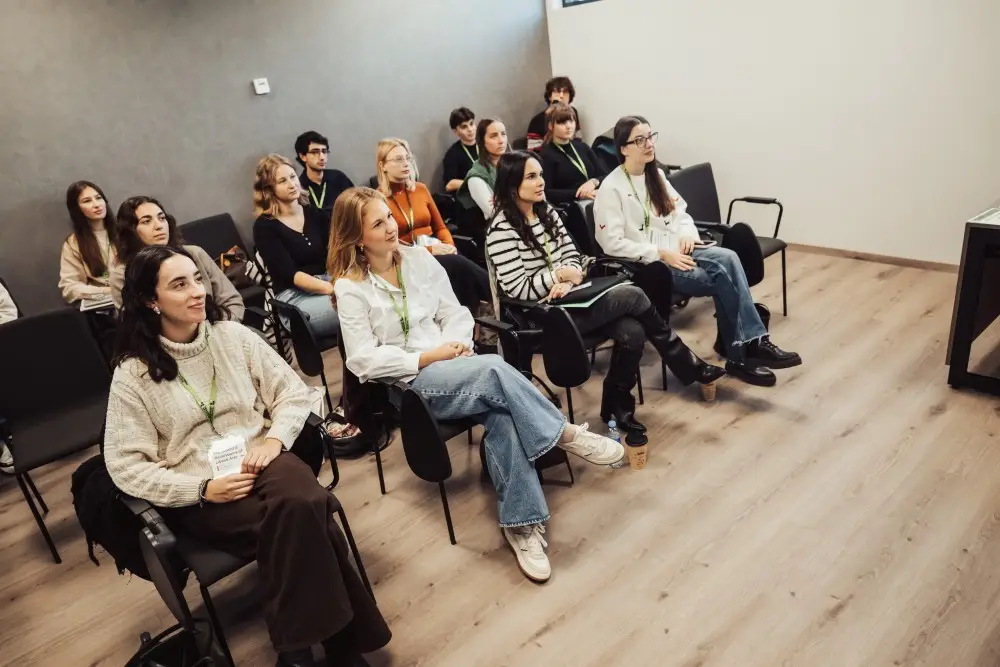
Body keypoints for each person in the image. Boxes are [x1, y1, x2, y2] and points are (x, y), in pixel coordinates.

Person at [103, 245, 389, 667]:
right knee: (314, 518)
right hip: (209, 490)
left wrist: (274, 441)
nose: (198, 291)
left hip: (264, 458)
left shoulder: (232, 336)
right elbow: (124, 466)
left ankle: (295, 652)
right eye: (179, 285)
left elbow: (293, 393)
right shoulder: (133, 374)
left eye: (197, 279)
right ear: (150, 300)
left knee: (305, 502)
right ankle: (343, 646)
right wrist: (201, 489)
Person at [330, 186, 625, 583]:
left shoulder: (419, 259)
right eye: (378, 222)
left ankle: (521, 526)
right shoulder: (350, 287)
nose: (392, 226)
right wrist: (429, 357)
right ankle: (564, 434)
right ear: (356, 236)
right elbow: (362, 359)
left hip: (454, 364)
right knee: (494, 369)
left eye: (389, 216)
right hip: (410, 383)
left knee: (502, 411)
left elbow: (455, 313)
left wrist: (457, 345)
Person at [486, 152, 725, 434]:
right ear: (513, 186)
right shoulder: (501, 229)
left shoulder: (545, 212)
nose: (541, 182)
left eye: (540, 174)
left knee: (633, 330)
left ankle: (617, 405)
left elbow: (572, 256)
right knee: (633, 296)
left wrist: (570, 278)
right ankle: (685, 363)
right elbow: (516, 289)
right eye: (532, 177)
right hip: (542, 317)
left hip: (571, 299)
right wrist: (557, 277)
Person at [594, 116, 801, 386]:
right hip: (651, 264)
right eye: (639, 140)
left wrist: (687, 235)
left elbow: (680, 213)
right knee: (719, 279)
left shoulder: (655, 175)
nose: (649, 144)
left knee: (729, 257)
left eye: (650, 136)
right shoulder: (611, 188)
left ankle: (748, 347)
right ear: (623, 148)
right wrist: (660, 253)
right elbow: (611, 243)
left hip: (678, 248)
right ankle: (743, 350)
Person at [376, 138, 490, 313]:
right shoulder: (378, 200)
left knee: (456, 264)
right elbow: (389, 247)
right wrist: (430, 251)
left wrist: (449, 246)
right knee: (457, 265)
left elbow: (440, 227)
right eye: (398, 159)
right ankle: (499, 296)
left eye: (408, 158)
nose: (406, 164)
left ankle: (472, 323)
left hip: (438, 250)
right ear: (383, 165)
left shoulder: (420, 189)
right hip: (409, 259)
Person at [110, 195, 244, 319]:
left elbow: (232, 301)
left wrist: (220, 333)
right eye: (146, 221)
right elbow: (134, 326)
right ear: (130, 230)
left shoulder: (194, 254)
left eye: (162, 218)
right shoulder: (122, 274)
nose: (159, 226)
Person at [253, 154, 339, 339]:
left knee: (367, 298)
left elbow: (334, 254)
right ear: (270, 189)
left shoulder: (314, 214)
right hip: (294, 298)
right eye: (282, 181)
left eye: (293, 177)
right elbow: (291, 275)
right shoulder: (264, 227)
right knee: (354, 307)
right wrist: (334, 290)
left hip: (327, 282)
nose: (292, 184)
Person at [59, 181, 120, 304]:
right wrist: (108, 291)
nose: (96, 204)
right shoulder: (73, 243)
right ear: (77, 208)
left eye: (98, 198)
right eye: (87, 201)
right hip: (102, 307)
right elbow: (69, 287)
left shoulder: (125, 232)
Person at [539, 103, 607, 205]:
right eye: (562, 122)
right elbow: (547, 192)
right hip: (570, 208)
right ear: (550, 126)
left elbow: (605, 175)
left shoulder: (583, 147)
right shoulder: (546, 155)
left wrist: (594, 182)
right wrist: (578, 193)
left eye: (571, 121)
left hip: (596, 200)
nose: (568, 126)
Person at [455, 117, 509, 219]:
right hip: (498, 228)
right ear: (482, 141)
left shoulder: (518, 164)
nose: (501, 140)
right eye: (493, 136)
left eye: (503, 134)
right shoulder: (476, 178)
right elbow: (495, 213)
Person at [295, 130, 354, 215]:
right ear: (303, 156)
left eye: (324, 151)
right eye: (315, 152)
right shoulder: (299, 187)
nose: (322, 157)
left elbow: (357, 203)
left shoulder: (338, 177)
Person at [526, 76, 582, 151]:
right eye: (557, 92)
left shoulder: (573, 112)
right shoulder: (537, 121)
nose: (561, 96)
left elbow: (578, 139)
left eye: (565, 92)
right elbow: (533, 152)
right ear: (550, 96)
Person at [442, 107, 478, 193]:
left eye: (471, 124)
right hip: (469, 197)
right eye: (464, 127)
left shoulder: (485, 144)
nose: (470, 129)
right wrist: (476, 183)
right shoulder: (452, 154)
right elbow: (449, 184)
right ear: (456, 132)